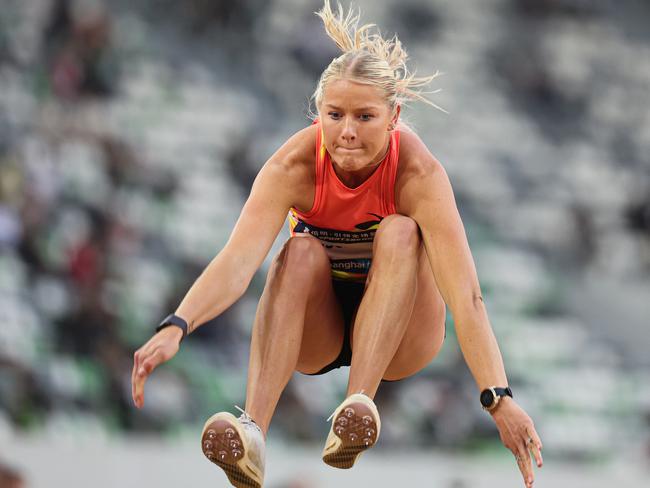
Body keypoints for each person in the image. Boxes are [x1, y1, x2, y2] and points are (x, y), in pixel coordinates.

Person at [131, 1, 543, 487]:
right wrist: (178, 325)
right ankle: (253, 433)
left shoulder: (418, 174)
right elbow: (238, 260)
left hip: (403, 338)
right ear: (319, 114)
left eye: (365, 117)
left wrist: (498, 397)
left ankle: (357, 406)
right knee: (298, 250)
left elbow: (466, 297)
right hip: (318, 330)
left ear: (394, 116)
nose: (347, 132)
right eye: (335, 115)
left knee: (401, 231)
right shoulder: (294, 166)